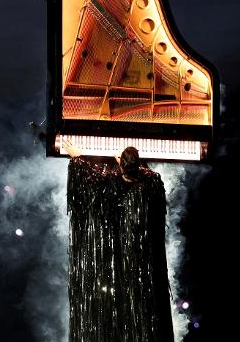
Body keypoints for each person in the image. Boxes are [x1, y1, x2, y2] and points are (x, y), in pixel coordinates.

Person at [63, 140, 174, 342]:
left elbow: (89, 182)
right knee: (139, 304)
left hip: (114, 251)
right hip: (140, 258)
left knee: (114, 299)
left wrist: (76, 157)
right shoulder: (151, 183)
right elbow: (146, 177)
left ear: (121, 164)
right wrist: (125, 166)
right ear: (138, 165)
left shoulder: (109, 183)